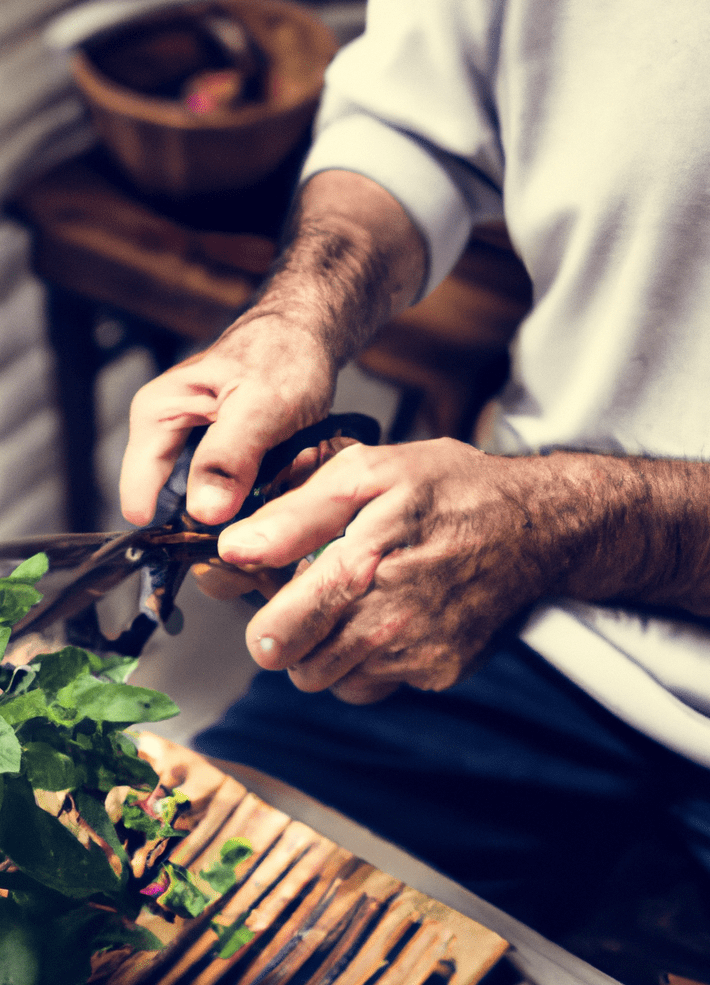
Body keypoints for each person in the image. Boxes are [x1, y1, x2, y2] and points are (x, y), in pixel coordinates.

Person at [119, 0, 710, 975]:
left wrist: (550, 520)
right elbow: (412, 122)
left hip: (552, 555)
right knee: (159, 917)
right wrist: (296, 315)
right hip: (544, 630)